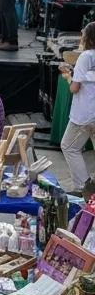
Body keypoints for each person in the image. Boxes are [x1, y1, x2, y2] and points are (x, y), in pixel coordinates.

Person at [59, 21, 95, 192]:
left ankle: (83, 188)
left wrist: (67, 77)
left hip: (84, 114)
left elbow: (75, 88)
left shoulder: (86, 56)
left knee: (69, 146)